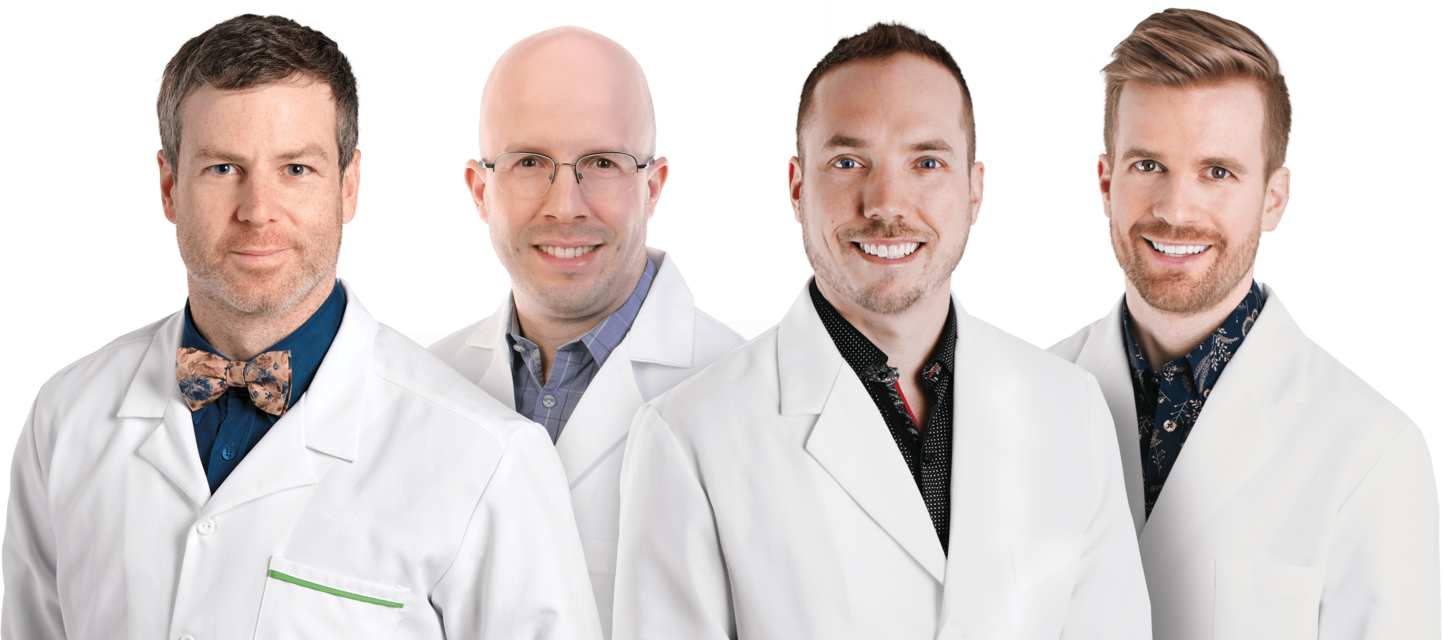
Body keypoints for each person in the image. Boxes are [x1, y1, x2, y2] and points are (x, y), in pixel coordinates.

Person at [1, 13, 600, 639]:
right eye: (222, 168)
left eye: (295, 169)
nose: (258, 211)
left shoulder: (489, 460)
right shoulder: (67, 416)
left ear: (349, 188)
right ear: (169, 188)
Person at [611, 18, 1150, 639]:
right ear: (797, 188)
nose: (886, 203)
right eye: (848, 162)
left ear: (974, 191)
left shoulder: (1072, 409)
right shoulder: (687, 436)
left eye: (926, 162)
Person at [1047, 7, 1440, 639]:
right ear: (1106, 183)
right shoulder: (1016, 404)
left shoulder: (1372, 453)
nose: (1177, 210)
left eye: (1218, 172)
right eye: (1148, 165)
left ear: (1273, 199)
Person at [425, 25, 747, 638]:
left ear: (652, 187)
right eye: (529, 162)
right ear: (480, 191)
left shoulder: (751, 396)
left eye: (601, 163)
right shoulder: (421, 389)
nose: (565, 206)